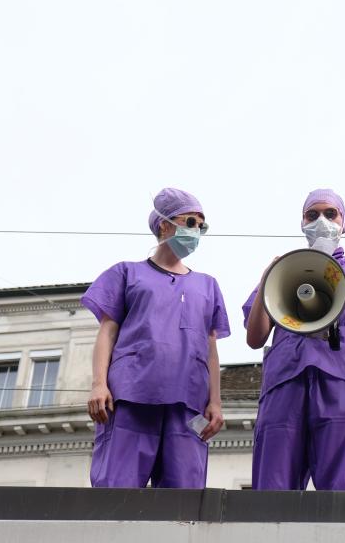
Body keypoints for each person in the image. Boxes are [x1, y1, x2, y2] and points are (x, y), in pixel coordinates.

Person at [243, 189, 345, 490]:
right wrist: (266, 281)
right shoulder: (285, 270)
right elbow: (255, 336)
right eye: (313, 215)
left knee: (344, 485)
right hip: (285, 381)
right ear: (302, 223)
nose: (321, 221)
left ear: (344, 222)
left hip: (342, 383)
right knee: (274, 483)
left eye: (330, 213)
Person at [83, 187, 230, 488]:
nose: (196, 231)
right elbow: (107, 332)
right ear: (165, 224)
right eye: (190, 222)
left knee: (184, 501)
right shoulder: (128, 274)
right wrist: (99, 383)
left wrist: (215, 402)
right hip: (131, 396)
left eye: (202, 226)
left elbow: (211, 350)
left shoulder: (208, 286)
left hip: (188, 406)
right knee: (117, 491)